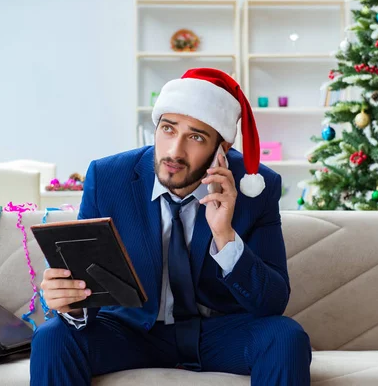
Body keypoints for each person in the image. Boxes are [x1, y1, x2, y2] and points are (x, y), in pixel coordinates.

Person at [30, 68, 312, 385]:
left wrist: (225, 235)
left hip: (217, 333)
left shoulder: (256, 188)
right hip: (131, 330)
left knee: (286, 337)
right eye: (168, 129)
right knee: (53, 336)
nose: (175, 151)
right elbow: (88, 281)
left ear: (222, 150)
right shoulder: (108, 177)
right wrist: (72, 304)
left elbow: (272, 303)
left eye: (195, 137)